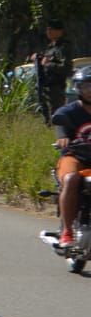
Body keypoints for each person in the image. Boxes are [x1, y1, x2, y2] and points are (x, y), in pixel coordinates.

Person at [51, 66, 91, 247]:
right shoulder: (69, 112)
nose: (90, 90)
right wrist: (62, 138)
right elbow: (60, 124)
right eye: (86, 86)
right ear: (78, 88)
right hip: (75, 157)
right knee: (71, 178)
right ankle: (67, 231)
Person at [31, 18, 73, 115]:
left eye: (52, 29)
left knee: (57, 115)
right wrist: (38, 58)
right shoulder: (51, 47)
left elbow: (66, 68)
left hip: (56, 88)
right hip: (46, 87)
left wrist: (48, 64)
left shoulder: (63, 47)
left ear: (60, 31)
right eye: (48, 29)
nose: (48, 32)